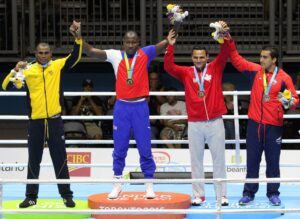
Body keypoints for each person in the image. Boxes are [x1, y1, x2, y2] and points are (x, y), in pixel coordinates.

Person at [69, 21, 170, 199]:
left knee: (145, 148)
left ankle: (149, 185)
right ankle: (117, 183)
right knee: (119, 148)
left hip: (140, 107)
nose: (131, 45)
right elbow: (91, 51)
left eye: (134, 42)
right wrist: (78, 37)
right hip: (122, 107)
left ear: (138, 42)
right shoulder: (115, 55)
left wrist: (174, 31)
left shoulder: (145, 53)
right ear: (123, 42)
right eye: (127, 42)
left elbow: (165, 43)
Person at [1, 24, 82, 208]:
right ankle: (31, 197)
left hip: (54, 121)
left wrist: (77, 37)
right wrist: (15, 70)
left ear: (51, 54)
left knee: (60, 159)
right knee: (34, 160)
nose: (43, 55)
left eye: (46, 52)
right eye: (40, 52)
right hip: (36, 122)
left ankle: (66, 195)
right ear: (35, 54)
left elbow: (75, 57)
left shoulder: (58, 65)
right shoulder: (27, 71)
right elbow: (7, 86)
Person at [226, 31, 299, 206]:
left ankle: (273, 193)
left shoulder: (284, 78)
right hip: (254, 125)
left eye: (265, 57)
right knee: (252, 161)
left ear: (273, 60)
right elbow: (237, 60)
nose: (261, 60)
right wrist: (229, 41)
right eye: (260, 56)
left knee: (273, 162)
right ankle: (248, 193)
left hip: (274, 126)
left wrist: (288, 101)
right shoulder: (255, 71)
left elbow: (295, 100)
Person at [164, 22, 230, 206]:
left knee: (219, 160)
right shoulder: (186, 73)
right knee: (196, 161)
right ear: (192, 58)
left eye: (202, 57)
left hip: (215, 121)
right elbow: (168, 67)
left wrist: (223, 35)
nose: (199, 60)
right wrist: (170, 46)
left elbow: (225, 53)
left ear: (207, 57)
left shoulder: (215, 68)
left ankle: (221, 194)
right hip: (194, 123)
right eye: (195, 57)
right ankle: (199, 195)